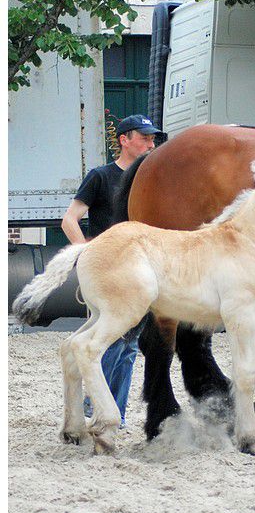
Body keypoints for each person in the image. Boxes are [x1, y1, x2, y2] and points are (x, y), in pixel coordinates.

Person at [61, 114, 158, 427]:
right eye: (144, 138)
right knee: (115, 341)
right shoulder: (101, 176)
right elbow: (70, 219)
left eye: (152, 138)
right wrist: (86, 254)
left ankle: (114, 413)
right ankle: (95, 406)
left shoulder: (150, 179)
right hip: (109, 271)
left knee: (129, 346)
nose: (150, 144)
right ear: (124, 140)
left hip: (140, 270)